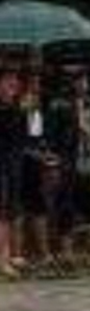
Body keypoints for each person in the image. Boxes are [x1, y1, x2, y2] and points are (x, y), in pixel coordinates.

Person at [47, 66, 90, 261]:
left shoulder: (89, 103)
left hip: (86, 159)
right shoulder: (59, 105)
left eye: (85, 79)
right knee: (66, 206)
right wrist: (53, 163)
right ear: (71, 82)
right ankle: (67, 252)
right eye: (79, 79)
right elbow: (52, 137)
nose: (83, 83)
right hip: (67, 161)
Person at [17, 66, 55, 267]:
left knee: (38, 207)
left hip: (35, 163)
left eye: (38, 82)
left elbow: (37, 138)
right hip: (19, 163)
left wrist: (45, 152)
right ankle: (18, 253)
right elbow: (18, 141)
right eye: (33, 82)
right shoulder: (17, 106)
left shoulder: (37, 109)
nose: (37, 86)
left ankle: (42, 252)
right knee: (19, 209)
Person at [0, 65, 25, 277]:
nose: (13, 84)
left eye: (15, 80)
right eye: (8, 80)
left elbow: (25, 138)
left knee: (8, 212)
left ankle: (6, 257)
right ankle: (3, 259)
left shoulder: (17, 109)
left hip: (12, 167)